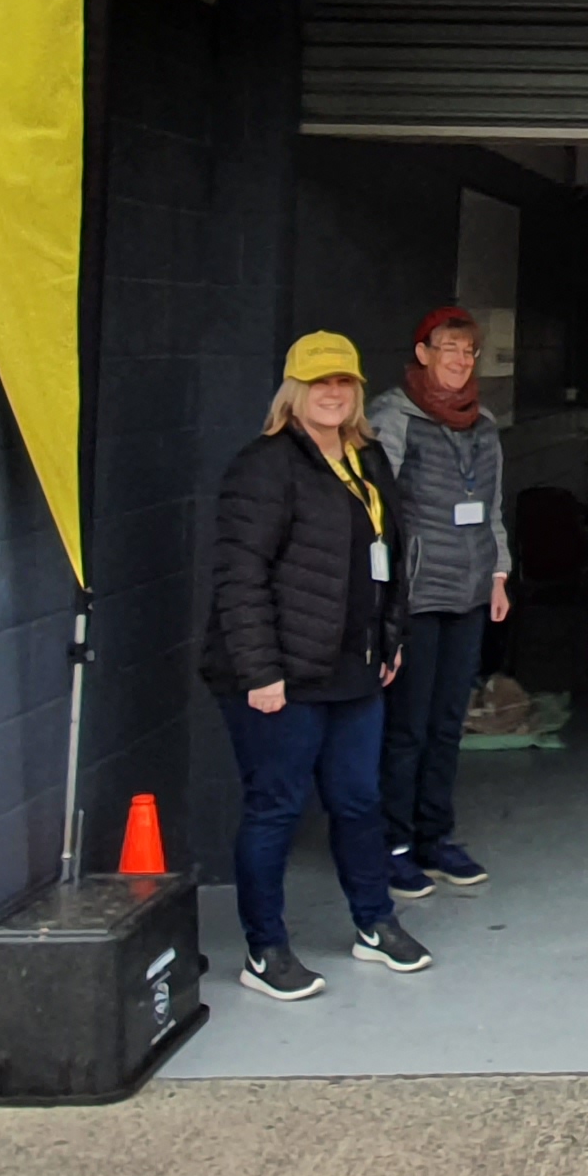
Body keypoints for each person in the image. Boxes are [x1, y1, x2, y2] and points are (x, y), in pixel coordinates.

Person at [205, 332, 426, 1002]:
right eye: (319, 382)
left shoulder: (367, 457)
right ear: (294, 391)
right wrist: (260, 673)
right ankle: (265, 950)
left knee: (359, 800)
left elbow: (388, 558)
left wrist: (390, 641)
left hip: (353, 669)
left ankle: (373, 923)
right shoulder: (265, 467)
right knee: (275, 807)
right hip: (281, 675)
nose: (333, 394)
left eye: (344, 383)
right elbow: (239, 578)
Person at [367, 308, 510, 898]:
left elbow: (494, 506)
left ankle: (434, 836)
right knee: (408, 727)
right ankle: (392, 845)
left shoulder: (484, 424)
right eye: (448, 348)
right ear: (423, 353)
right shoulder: (392, 416)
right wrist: (383, 594)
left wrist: (499, 572)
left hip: (470, 592)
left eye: (468, 352)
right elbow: (378, 512)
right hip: (416, 595)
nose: (459, 360)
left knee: (449, 724)